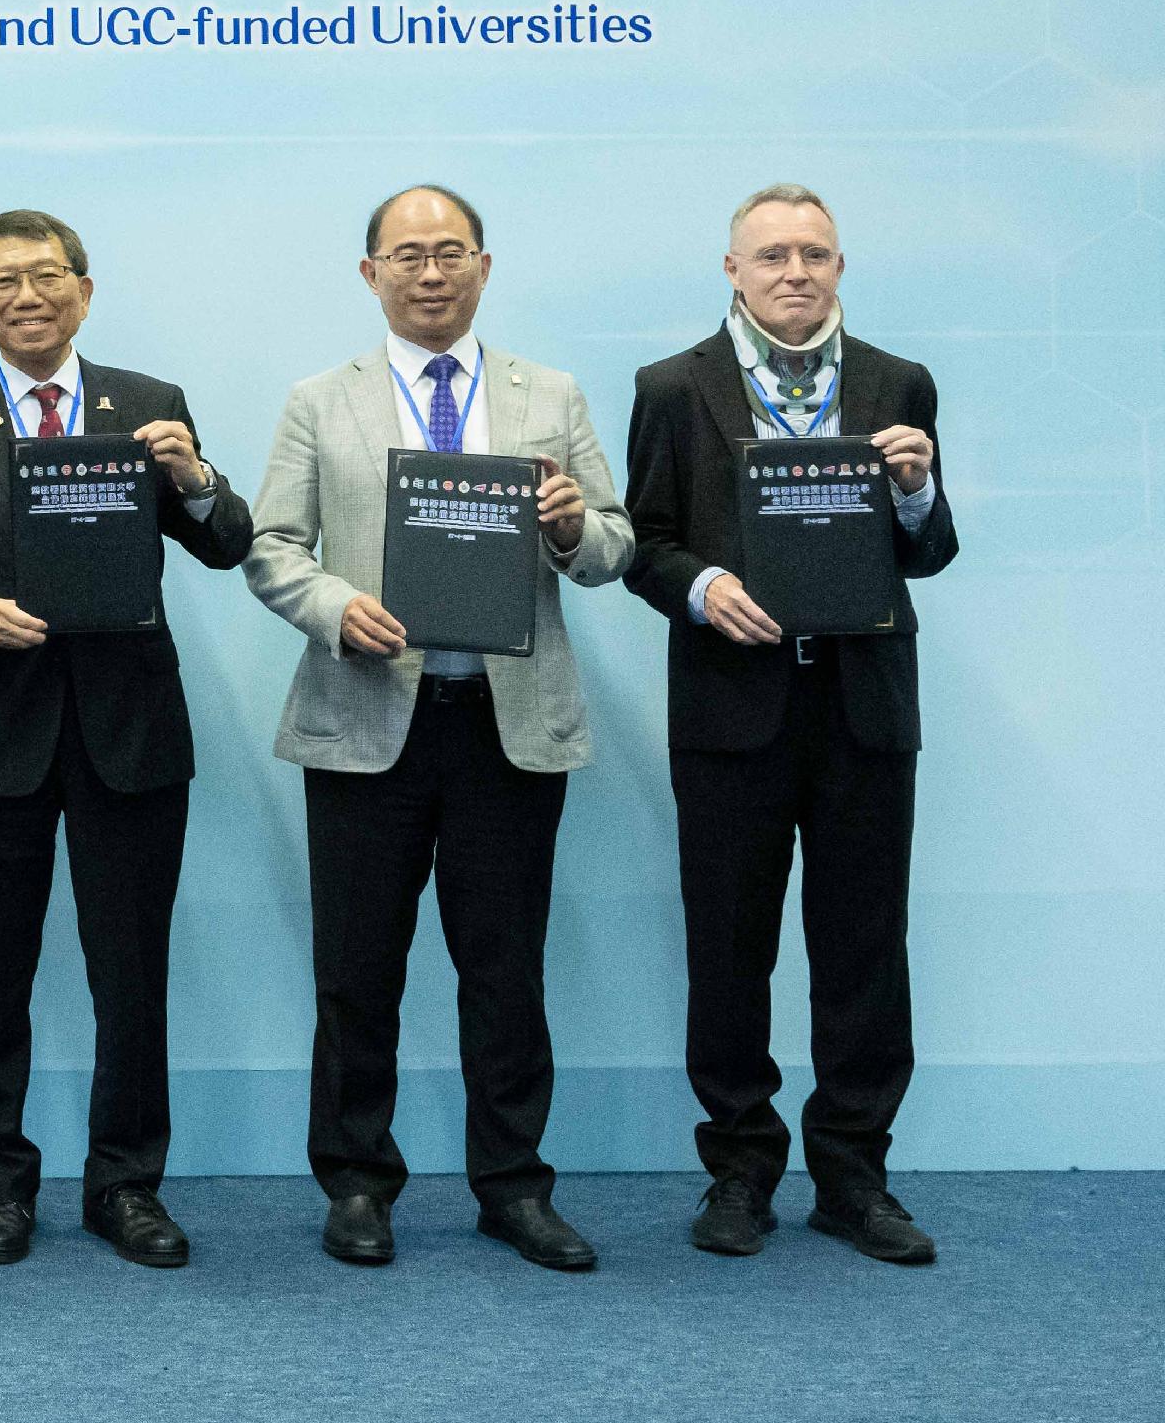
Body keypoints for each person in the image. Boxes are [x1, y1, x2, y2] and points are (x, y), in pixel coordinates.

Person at [244, 184, 634, 1273]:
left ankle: (512, 1187)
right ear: (369, 273)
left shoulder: (545, 394)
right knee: (357, 974)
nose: (429, 273)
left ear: (484, 266)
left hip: (503, 728)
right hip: (365, 720)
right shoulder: (322, 400)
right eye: (406, 255)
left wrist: (568, 528)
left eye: (449, 252)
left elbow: (613, 545)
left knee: (504, 972)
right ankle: (358, 1185)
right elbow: (272, 547)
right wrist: (332, 608)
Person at [0, 210, 253, 1271]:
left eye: (47, 276)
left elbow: (224, 546)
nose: (27, 295)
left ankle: (125, 1185)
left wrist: (192, 477)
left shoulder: (148, 407)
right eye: (3, 281)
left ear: (85, 291)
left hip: (126, 735)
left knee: (129, 974)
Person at [620, 184, 958, 1264]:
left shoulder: (895, 384)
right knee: (729, 949)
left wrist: (913, 493)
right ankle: (739, 1170)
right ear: (731, 269)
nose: (794, 272)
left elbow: (931, 549)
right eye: (771, 255)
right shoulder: (672, 388)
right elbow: (644, 543)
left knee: (863, 948)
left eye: (814, 253)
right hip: (731, 707)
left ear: (840, 266)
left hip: (861, 707)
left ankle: (854, 1177)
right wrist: (700, 585)